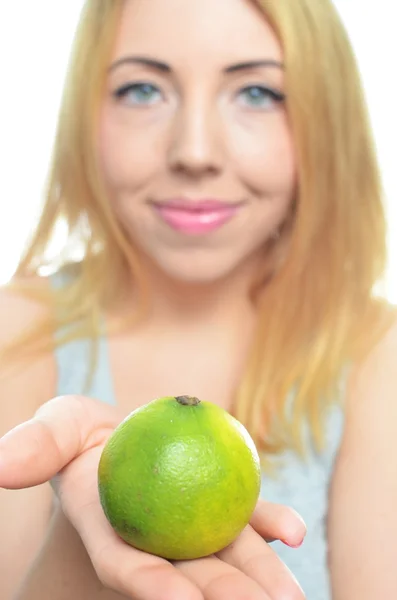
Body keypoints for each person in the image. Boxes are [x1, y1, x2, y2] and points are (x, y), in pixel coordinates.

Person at [0, 0, 396, 598]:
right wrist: (83, 546)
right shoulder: (18, 332)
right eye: (141, 89)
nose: (194, 152)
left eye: (257, 94)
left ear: (327, 118)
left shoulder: (374, 354)